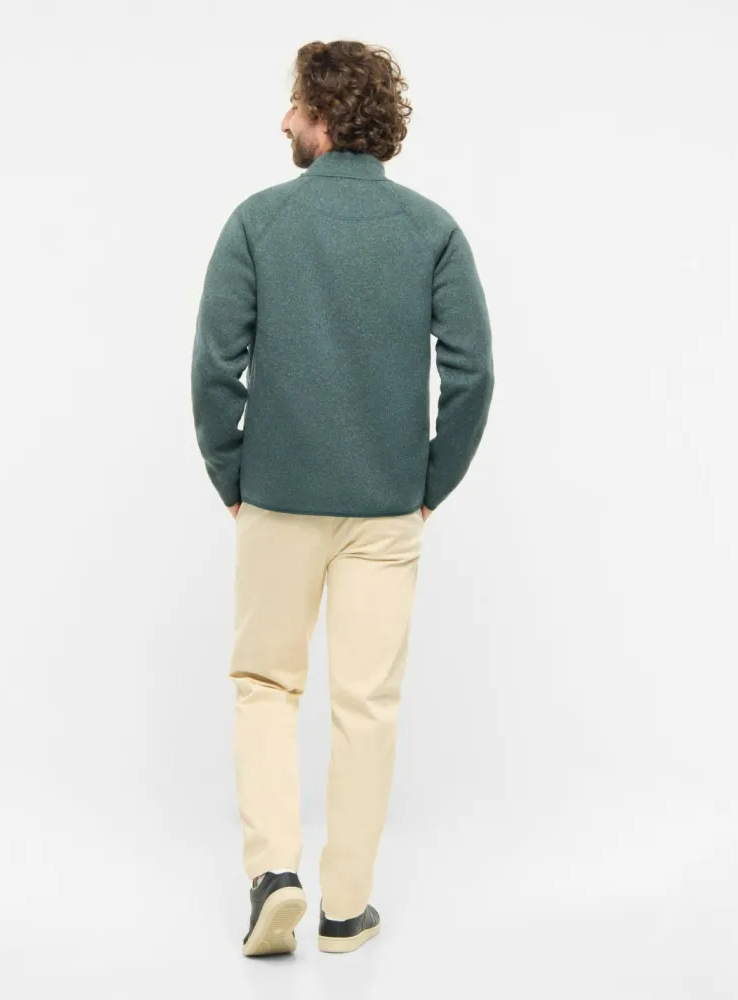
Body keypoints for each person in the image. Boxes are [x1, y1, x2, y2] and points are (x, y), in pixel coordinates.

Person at [190, 39, 494, 957]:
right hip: (386, 509)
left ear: (323, 117)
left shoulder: (259, 222)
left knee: (265, 685)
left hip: (277, 500)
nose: (283, 119)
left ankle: (272, 875)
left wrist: (232, 475)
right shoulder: (431, 230)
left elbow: (214, 368)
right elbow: (472, 374)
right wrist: (429, 483)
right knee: (367, 703)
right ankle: (344, 908)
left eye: (295, 104)